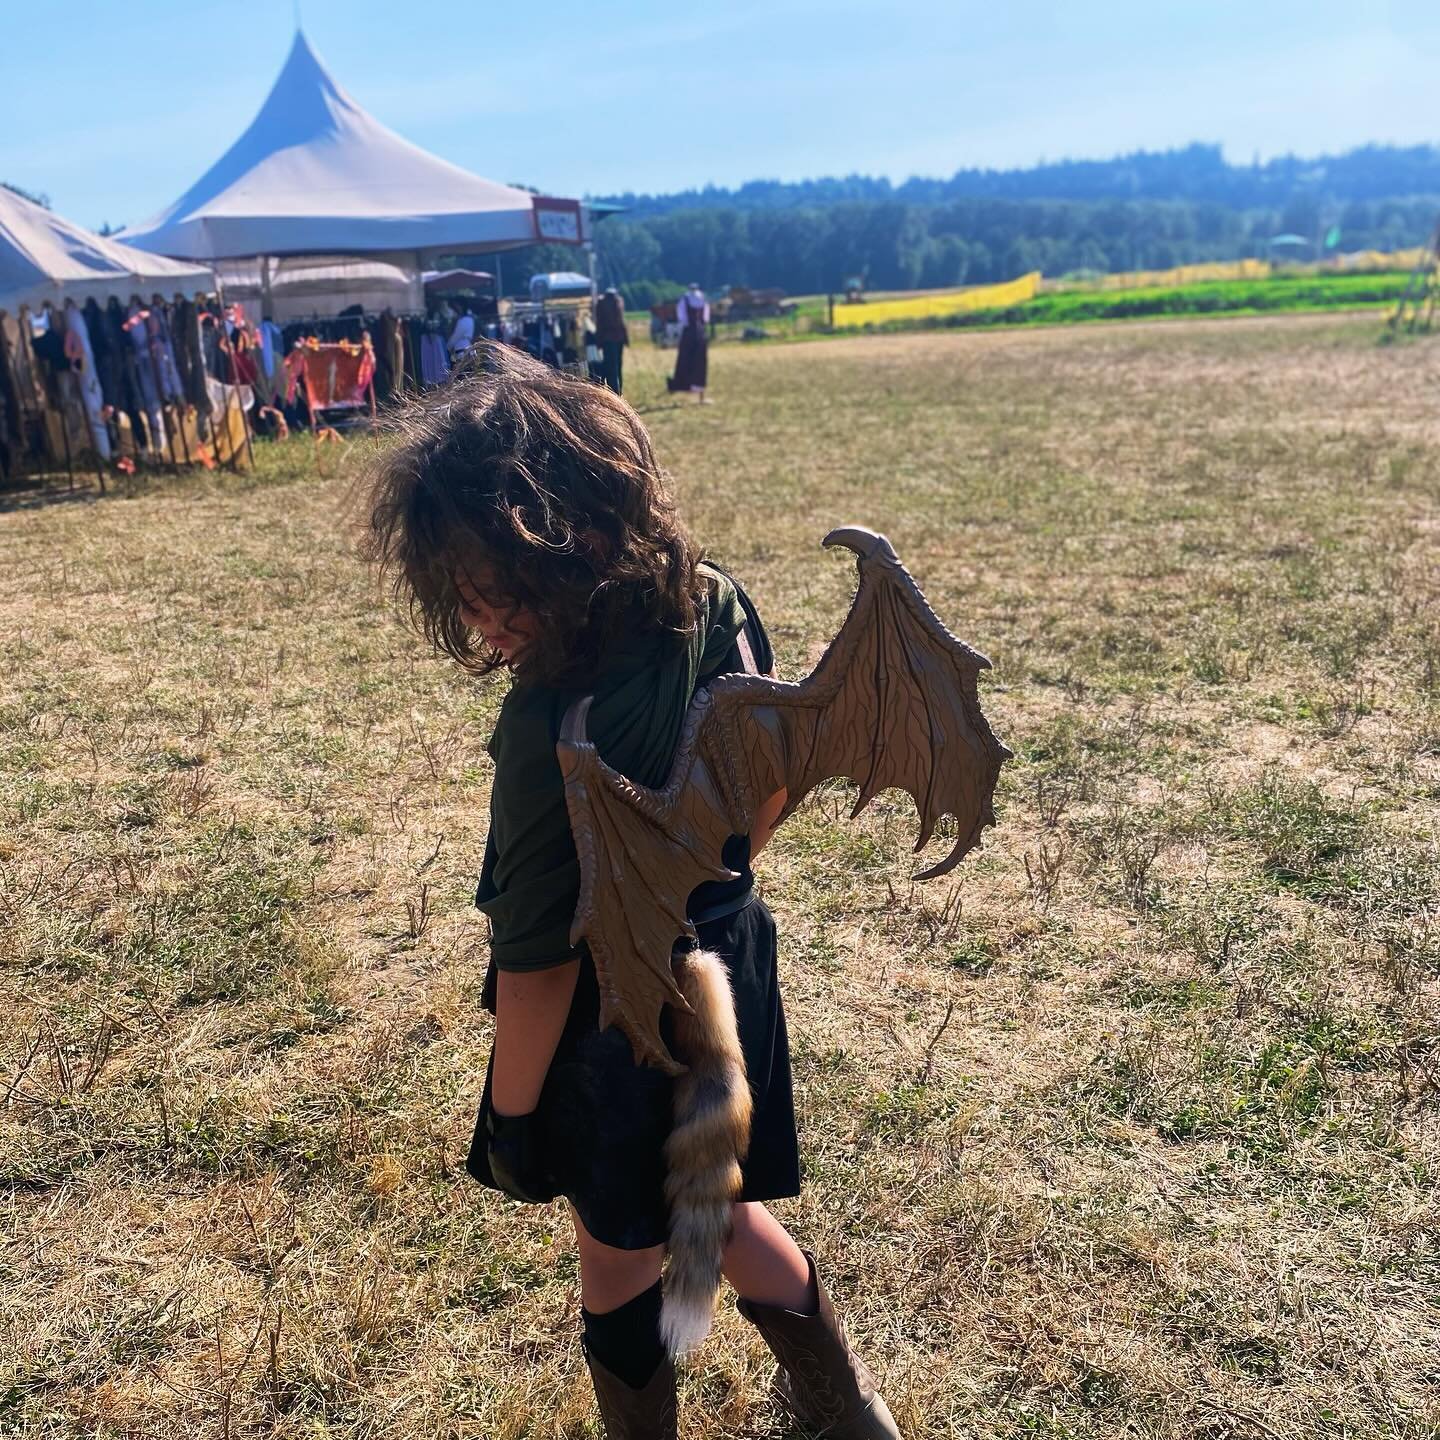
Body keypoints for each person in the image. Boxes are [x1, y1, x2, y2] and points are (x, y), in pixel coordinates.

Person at [363, 343, 899, 1440]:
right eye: (462, 590)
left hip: (621, 1019)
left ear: (574, 540)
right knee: (718, 1208)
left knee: (618, 1260)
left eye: (494, 585)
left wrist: (512, 1118)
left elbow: (540, 959)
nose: (479, 617)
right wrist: (710, 883)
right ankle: (850, 1415)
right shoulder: (717, 601)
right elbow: (774, 775)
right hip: (729, 957)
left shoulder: (544, 733)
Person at [667, 282, 709, 402]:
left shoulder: (684, 299)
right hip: (700, 332)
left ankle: (683, 385)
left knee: (685, 359)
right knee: (700, 361)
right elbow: (705, 318)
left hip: (688, 332)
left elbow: (682, 318)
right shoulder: (703, 299)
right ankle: (698, 388)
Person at [594, 286, 629, 395]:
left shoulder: (601, 303)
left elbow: (600, 323)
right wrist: (626, 338)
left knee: (611, 367)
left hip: (607, 338)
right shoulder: (619, 301)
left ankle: (614, 393)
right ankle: (618, 392)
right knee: (618, 367)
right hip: (619, 338)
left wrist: (598, 341)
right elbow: (622, 321)